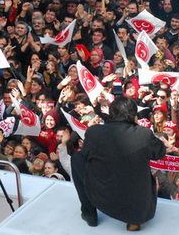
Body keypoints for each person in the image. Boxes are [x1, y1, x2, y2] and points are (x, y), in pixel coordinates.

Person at [71, 97, 166, 231]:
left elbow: (86, 156)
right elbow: (160, 153)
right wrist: (136, 126)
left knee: (77, 159)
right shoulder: (144, 134)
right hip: (137, 203)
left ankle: (89, 212)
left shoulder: (94, 132)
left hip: (102, 195)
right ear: (134, 115)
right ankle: (134, 218)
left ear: (111, 113)